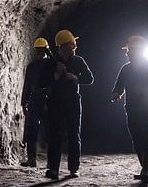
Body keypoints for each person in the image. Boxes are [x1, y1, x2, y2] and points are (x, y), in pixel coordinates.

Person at [40, 29, 94, 179]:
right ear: (64, 46)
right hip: (55, 102)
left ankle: (73, 168)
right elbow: (41, 83)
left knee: (73, 135)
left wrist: (75, 78)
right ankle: (53, 169)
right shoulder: (52, 62)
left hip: (72, 101)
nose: (74, 46)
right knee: (55, 136)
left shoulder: (78, 61)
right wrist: (55, 76)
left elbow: (90, 79)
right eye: (72, 44)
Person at [111, 35, 148, 182]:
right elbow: (119, 85)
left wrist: (144, 89)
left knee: (146, 138)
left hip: (147, 108)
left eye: (129, 50)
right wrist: (116, 92)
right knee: (136, 140)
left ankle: (146, 169)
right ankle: (144, 168)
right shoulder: (126, 69)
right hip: (132, 108)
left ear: (137, 51)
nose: (127, 53)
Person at [19, 37, 52, 167]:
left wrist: (50, 100)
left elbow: (52, 84)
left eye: (41, 50)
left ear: (45, 51)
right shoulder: (32, 66)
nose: (39, 53)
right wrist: (24, 102)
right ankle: (31, 159)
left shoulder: (50, 64)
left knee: (49, 130)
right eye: (38, 51)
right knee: (31, 129)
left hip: (47, 101)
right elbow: (27, 85)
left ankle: (51, 160)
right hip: (35, 100)